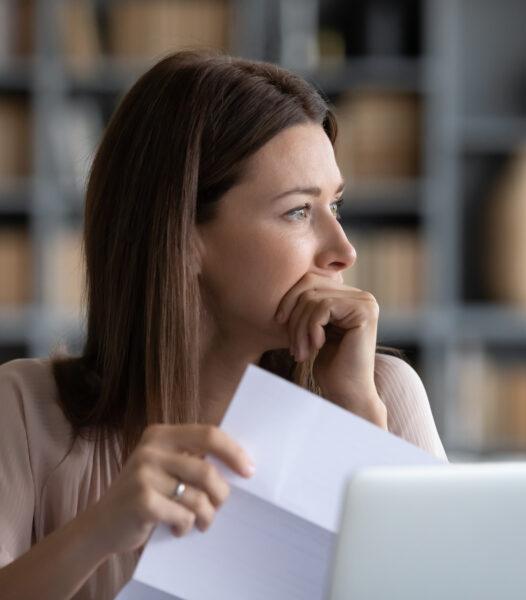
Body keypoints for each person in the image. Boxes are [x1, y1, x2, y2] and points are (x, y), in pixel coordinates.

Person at [0, 51, 446, 600]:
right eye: (299, 212)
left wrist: (358, 429)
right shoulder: (23, 410)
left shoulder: (383, 395)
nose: (343, 251)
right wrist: (100, 531)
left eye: (337, 205)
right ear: (182, 235)